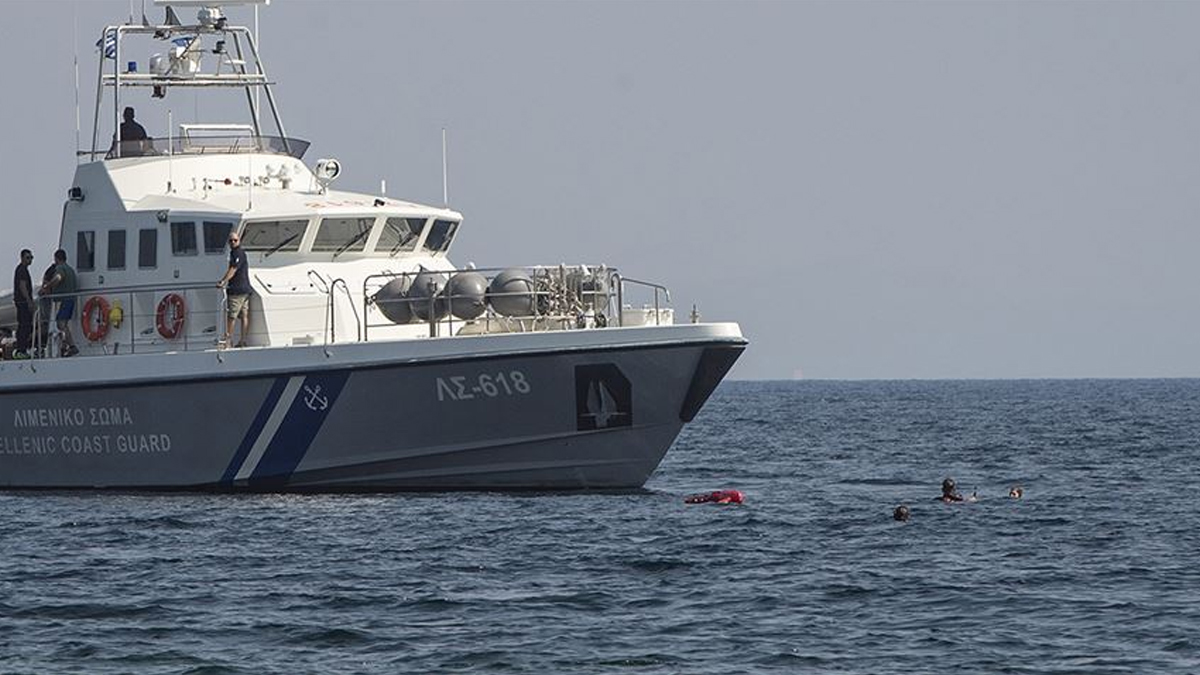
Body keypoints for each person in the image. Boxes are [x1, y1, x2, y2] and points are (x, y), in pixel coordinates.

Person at [40, 249, 79, 357]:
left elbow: (58, 277)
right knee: (63, 324)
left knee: (61, 324)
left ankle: (72, 346)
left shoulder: (60, 268)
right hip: (70, 300)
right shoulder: (71, 269)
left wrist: (47, 287)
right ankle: (64, 346)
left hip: (64, 300)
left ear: (57, 258)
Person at [217, 231, 251, 347]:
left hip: (237, 290)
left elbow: (233, 269)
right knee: (243, 315)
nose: (233, 242)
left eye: (235, 240)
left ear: (239, 241)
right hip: (245, 289)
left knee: (232, 317)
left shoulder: (237, 253)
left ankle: (228, 341)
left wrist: (223, 281)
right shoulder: (237, 253)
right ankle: (243, 341)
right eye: (231, 241)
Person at [12, 249, 34, 358]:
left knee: (25, 325)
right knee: (24, 325)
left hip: (22, 302)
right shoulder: (21, 270)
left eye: (31, 257)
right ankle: (21, 349)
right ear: (22, 258)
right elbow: (22, 286)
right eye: (28, 257)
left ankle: (22, 348)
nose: (30, 260)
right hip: (22, 302)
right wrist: (29, 301)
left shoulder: (23, 270)